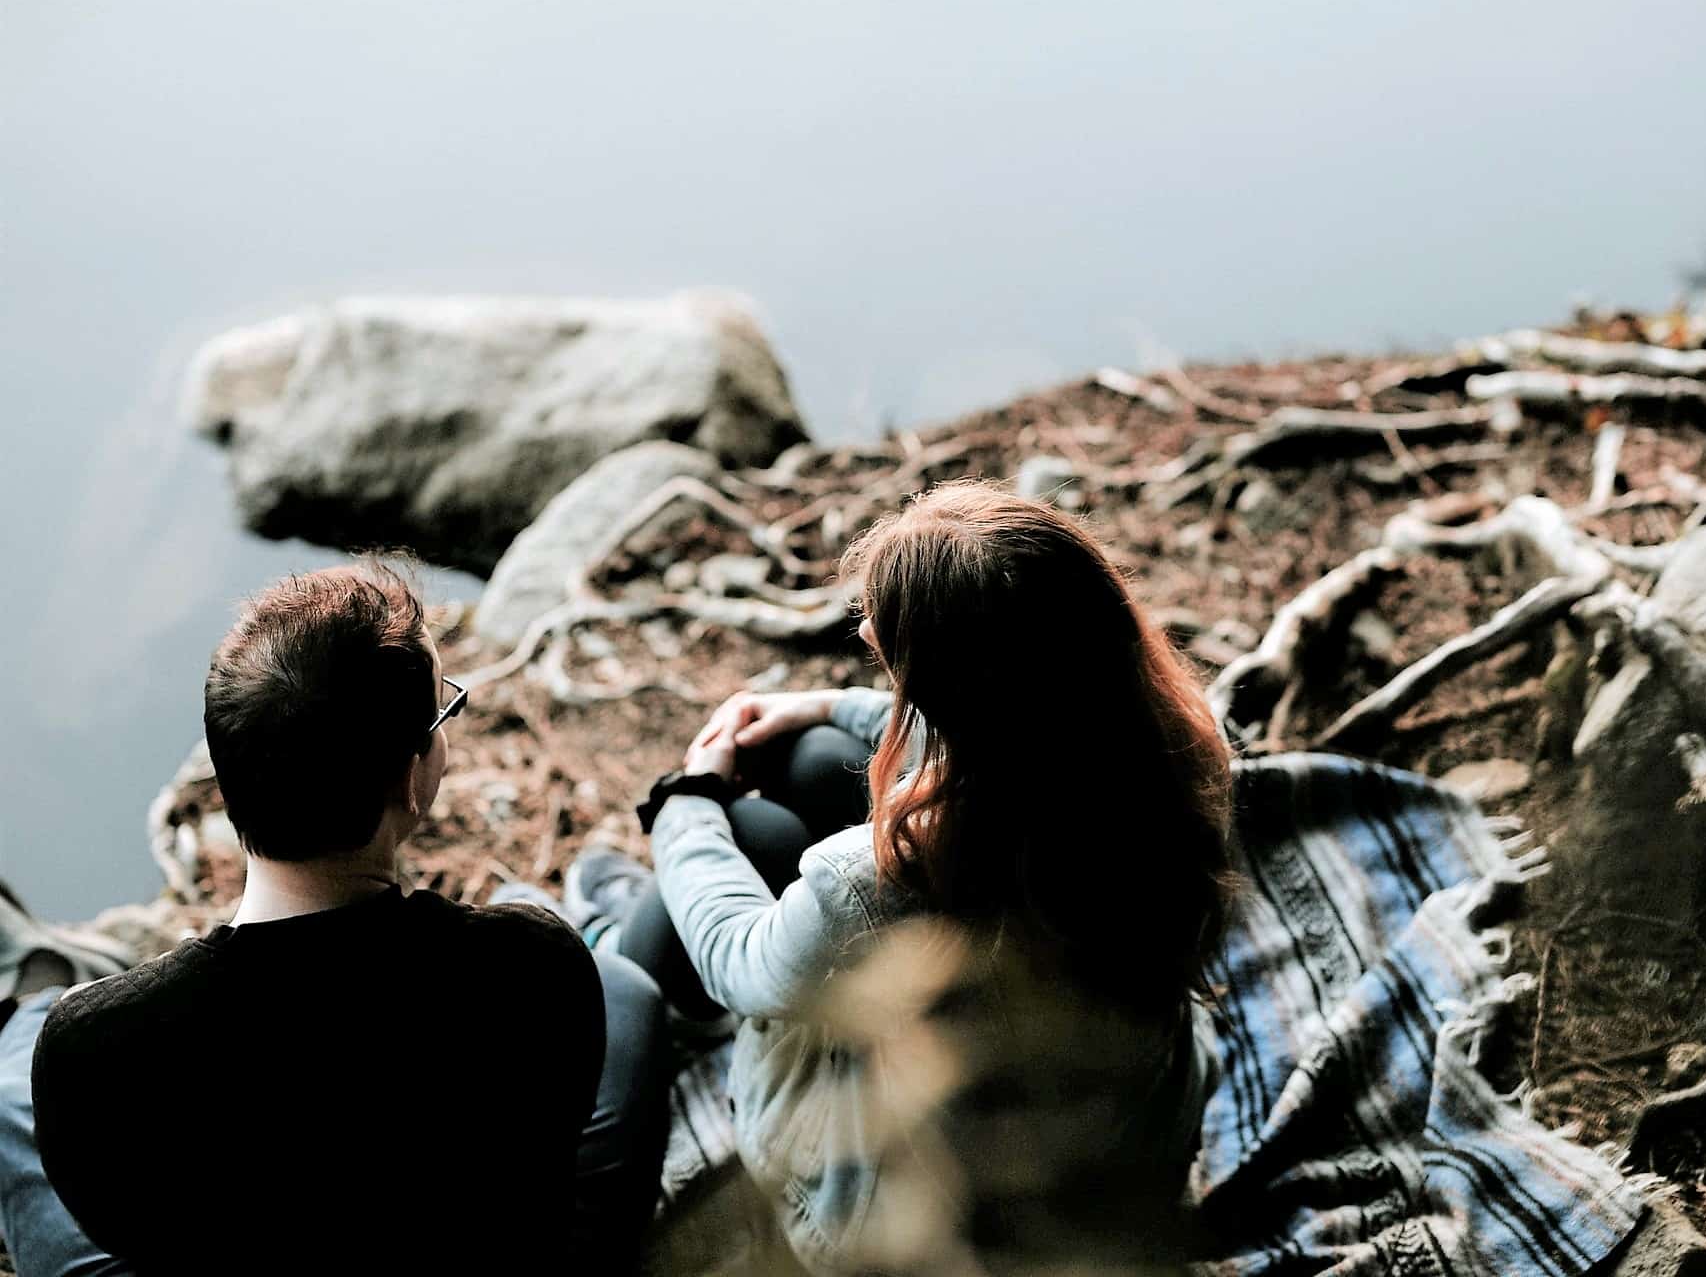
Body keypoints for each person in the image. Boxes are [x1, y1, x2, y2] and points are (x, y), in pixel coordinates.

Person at [578, 482, 1235, 1274]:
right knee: (819, 760)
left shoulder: (882, 877)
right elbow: (1009, 732)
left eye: (882, 626)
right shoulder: (1173, 762)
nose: (862, 627)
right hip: (1122, 1155)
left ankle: (612, 942)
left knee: (748, 837)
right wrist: (826, 706)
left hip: (909, 1225)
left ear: (953, 681)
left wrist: (687, 799)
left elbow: (740, 961)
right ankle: (632, 925)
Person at [0, 562, 673, 1277]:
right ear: (413, 778)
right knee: (624, 990)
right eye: (443, 713)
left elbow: (125, 1231)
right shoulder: (531, 965)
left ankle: (27, 989)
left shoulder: (90, 1050)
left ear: (228, 777)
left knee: (14, 1081)